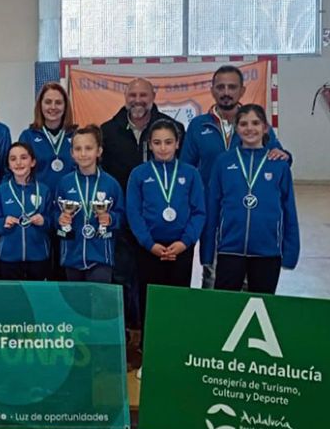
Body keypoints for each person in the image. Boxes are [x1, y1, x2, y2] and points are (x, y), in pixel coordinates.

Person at [181, 65, 290, 288]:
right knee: (212, 276)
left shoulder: (254, 124)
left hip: (246, 213)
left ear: (242, 90)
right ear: (212, 90)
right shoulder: (198, 125)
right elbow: (186, 170)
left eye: (232, 87)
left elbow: (279, 155)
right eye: (220, 87)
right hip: (212, 214)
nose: (226, 92)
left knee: (250, 280)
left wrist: (285, 155)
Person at [101, 78, 184, 331]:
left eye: (143, 95)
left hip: (162, 227)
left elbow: (186, 170)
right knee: (124, 277)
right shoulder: (107, 130)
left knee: (160, 285)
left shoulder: (173, 128)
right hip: (123, 221)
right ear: (125, 97)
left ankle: (163, 334)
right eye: (133, 94)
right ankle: (129, 333)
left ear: (154, 95)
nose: (138, 100)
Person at [201, 104, 299, 295]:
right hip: (230, 249)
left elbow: (289, 212)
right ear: (237, 129)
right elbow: (212, 209)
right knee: (226, 306)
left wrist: (290, 253)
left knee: (262, 304)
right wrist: (207, 251)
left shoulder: (279, 165)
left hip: (268, 251)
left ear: (265, 128)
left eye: (255, 123)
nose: (249, 128)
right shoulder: (224, 161)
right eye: (243, 124)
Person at [126, 119, 205, 343]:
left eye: (168, 142)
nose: (163, 147)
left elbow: (199, 212)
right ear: (149, 144)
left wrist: (185, 242)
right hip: (149, 249)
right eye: (157, 142)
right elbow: (134, 213)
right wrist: (148, 243)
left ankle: (177, 347)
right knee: (150, 301)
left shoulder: (190, 174)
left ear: (178, 143)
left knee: (178, 300)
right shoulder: (139, 174)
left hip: (180, 248)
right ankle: (150, 350)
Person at [19, 81, 76, 279]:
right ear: (40, 105)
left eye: (58, 102)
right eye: (48, 102)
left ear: (66, 106)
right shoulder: (28, 135)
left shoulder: (75, 135)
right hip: (38, 211)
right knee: (41, 268)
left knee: (65, 269)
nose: (53, 107)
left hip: (69, 212)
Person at [56, 125, 124, 282]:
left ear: (99, 151)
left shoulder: (111, 184)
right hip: (72, 256)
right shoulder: (64, 183)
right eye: (78, 149)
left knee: (98, 305)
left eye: (88, 148)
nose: (83, 153)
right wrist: (60, 219)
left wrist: (111, 219)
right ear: (72, 153)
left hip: (101, 257)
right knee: (75, 305)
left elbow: (122, 215)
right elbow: (54, 212)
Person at [0, 143, 53, 281]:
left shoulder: (44, 190)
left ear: (33, 162)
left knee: (36, 298)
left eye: (23, 157)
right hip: (9, 257)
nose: (18, 163)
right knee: (12, 299)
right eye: (13, 159)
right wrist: (3, 223)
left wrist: (44, 221)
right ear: (8, 164)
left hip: (38, 256)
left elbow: (51, 221)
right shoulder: (2, 191)